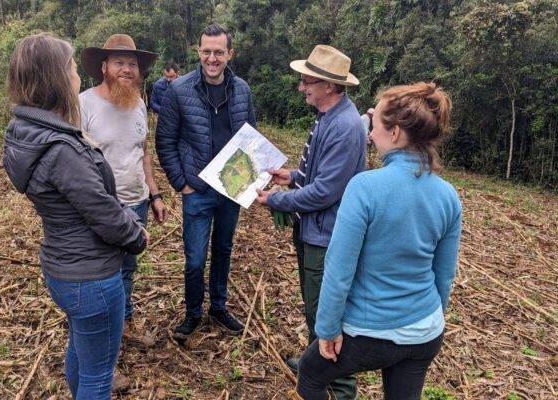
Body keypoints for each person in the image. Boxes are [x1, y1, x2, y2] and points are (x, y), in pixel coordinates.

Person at [2, 33, 149, 399]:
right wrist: (136, 234)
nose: (77, 74)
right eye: (70, 67)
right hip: (91, 275)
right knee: (98, 377)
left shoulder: (25, 132)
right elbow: (102, 211)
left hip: (62, 263)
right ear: (56, 78)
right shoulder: (62, 148)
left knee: (82, 352)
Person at [296, 82, 462, 400]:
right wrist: (428, 321)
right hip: (426, 332)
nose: (370, 134)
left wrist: (327, 328)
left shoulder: (365, 187)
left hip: (370, 333)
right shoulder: (448, 196)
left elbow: (339, 268)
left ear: (395, 132)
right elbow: (444, 274)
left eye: (374, 125)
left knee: (310, 374)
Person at [255, 44, 367, 400]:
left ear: (330, 86)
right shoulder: (328, 116)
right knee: (314, 306)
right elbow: (316, 174)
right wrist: (291, 176)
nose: (301, 87)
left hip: (327, 236)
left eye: (308, 81)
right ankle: (315, 365)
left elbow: (325, 192)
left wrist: (276, 199)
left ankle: (342, 389)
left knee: (326, 313)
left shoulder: (345, 127)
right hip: (313, 231)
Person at [156, 24, 256, 341]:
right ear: (198, 51)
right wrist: (181, 183)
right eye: (206, 52)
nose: (212, 59)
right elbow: (165, 141)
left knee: (223, 249)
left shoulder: (242, 90)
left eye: (218, 52)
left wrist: (248, 182)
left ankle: (219, 308)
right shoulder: (179, 90)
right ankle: (193, 313)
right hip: (197, 189)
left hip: (231, 187)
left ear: (230, 54)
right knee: (195, 259)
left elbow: (250, 138)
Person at [79, 34, 167, 351]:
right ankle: (100, 333)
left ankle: (124, 324)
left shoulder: (139, 103)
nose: (127, 69)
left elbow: (143, 152)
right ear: (104, 67)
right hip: (101, 206)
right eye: (119, 62)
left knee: (128, 268)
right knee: (100, 272)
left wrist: (154, 194)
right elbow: (75, 161)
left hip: (137, 201)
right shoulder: (84, 104)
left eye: (132, 64)